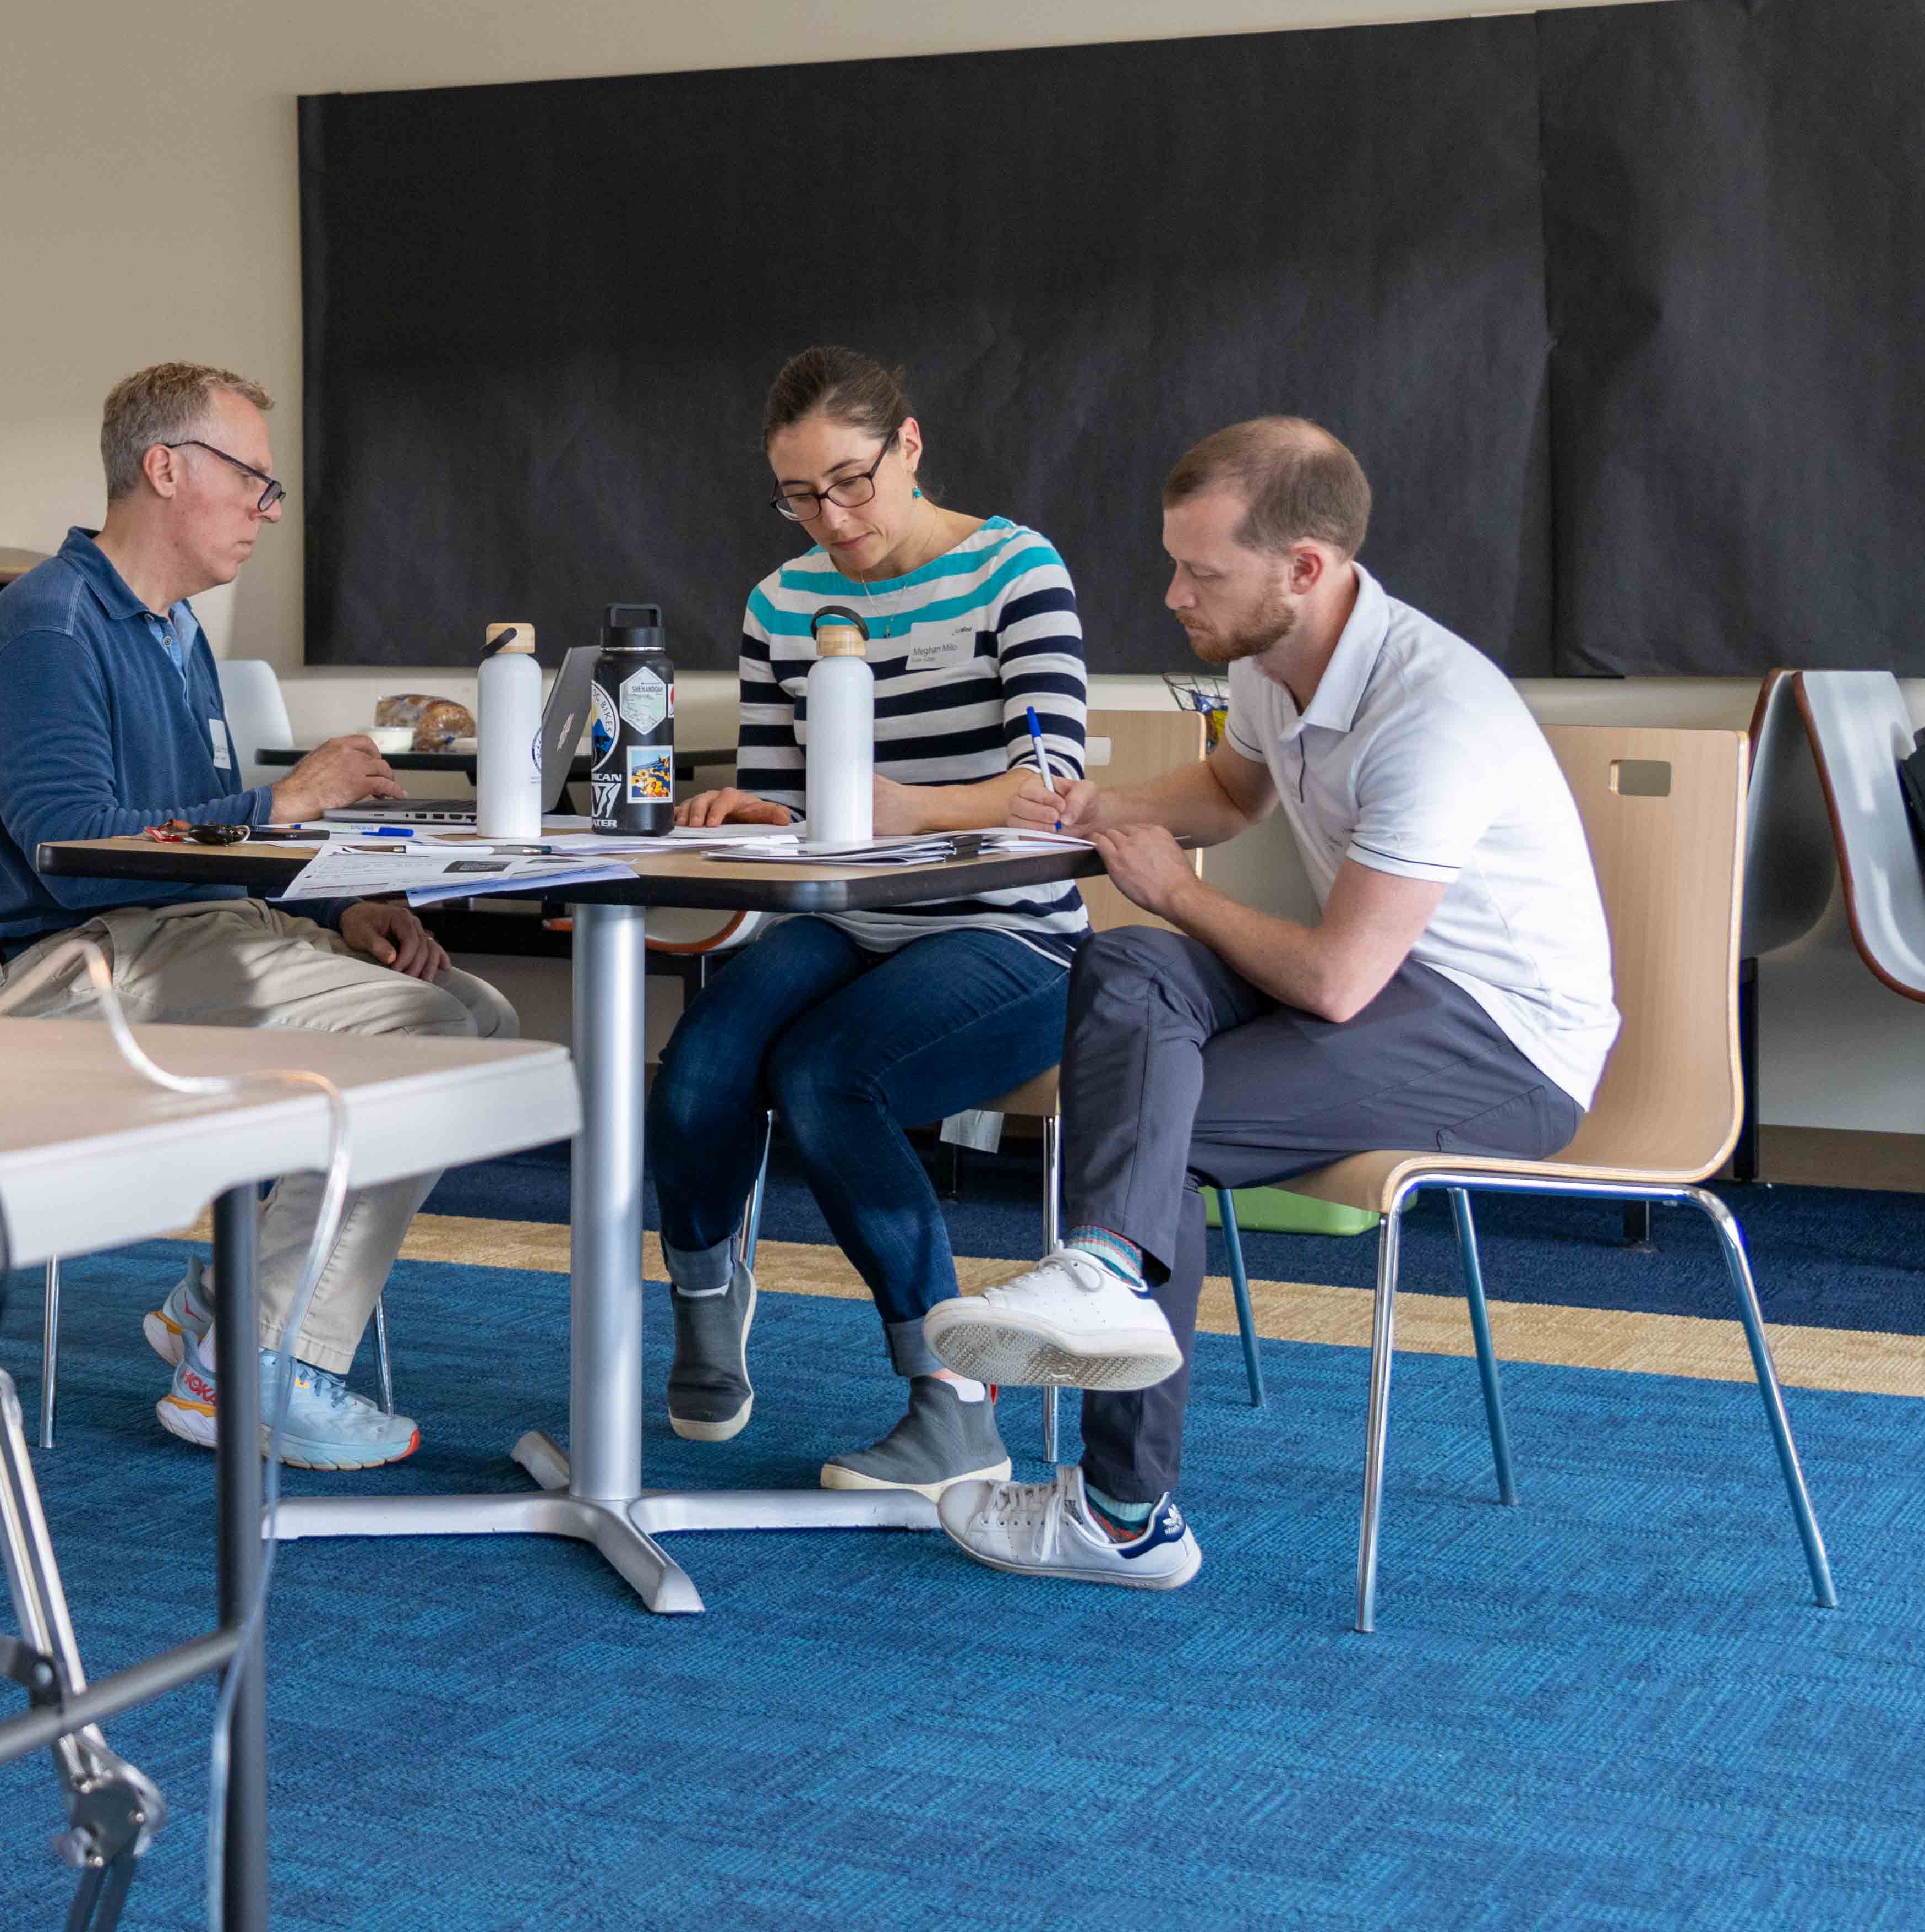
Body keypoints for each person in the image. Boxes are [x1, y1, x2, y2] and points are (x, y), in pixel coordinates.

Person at [928, 416, 1615, 1590]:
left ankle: (1124, 1513)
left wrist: (1177, 890)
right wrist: (1098, 811)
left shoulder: (1431, 714)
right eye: (1176, 561)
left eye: (1203, 571)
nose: (1173, 593)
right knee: (1133, 971)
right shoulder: (1267, 659)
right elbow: (1234, 789)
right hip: (1386, 991)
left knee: (1165, 1123)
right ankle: (1101, 1270)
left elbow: (1338, 981)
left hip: (1507, 1042)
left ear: (1304, 568)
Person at [0, 361, 519, 1471]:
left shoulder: (176, 632)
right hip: (79, 968)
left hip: (196, 933)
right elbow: (74, 851)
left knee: (479, 1012)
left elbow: (210, 850)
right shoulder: (50, 627)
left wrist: (339, 902)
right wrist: (283, 804)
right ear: (166, 469)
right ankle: (259, 1366)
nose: (269, 510)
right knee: (427, 1040)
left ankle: (221, 1302)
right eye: (254, 480)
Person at [649, 347, 1093, 1498]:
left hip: (1009, 930)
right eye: (799, 494)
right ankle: (706, 1303)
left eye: (851, 481)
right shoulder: (781, 603)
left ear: (910, 444)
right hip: (851, 917)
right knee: (698, 1064)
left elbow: (1051, 783)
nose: (830, 517)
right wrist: (744, 812)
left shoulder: (1014, 568)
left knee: (827, 1077)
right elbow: (775, 793)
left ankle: (954, 1404)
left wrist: (908, 807)